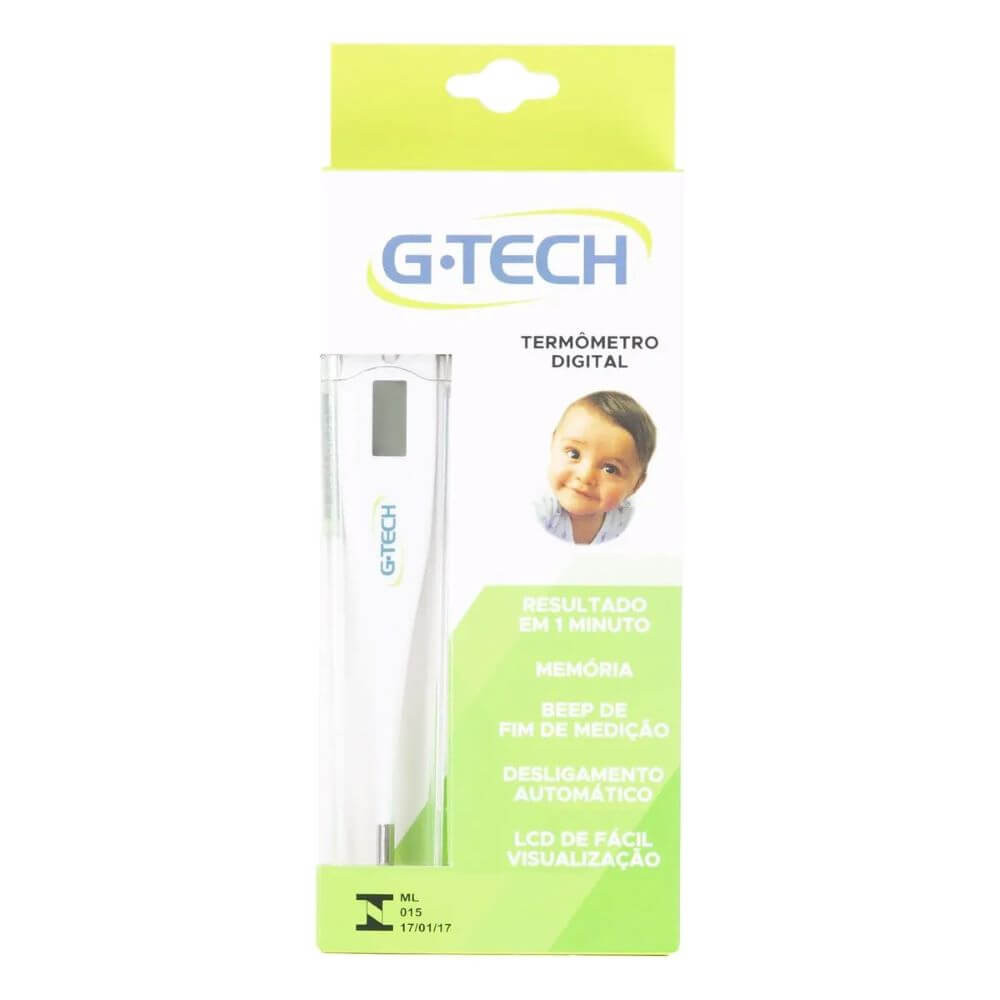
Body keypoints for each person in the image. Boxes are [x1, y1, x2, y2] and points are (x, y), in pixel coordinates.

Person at [536, 390, 656, 545]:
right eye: (574, 454)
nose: (585, 476)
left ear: (636, 485)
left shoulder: (627, 516)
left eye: (610, 469)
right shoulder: (541, 508)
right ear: (552, 445)